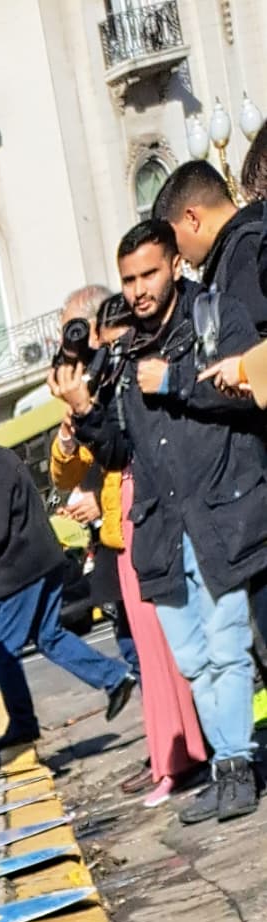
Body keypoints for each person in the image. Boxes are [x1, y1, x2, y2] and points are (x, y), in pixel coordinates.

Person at [117, 209, 265, 822]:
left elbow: (249, 391)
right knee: (193, 660)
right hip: (162, 529)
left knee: (228, 647)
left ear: (175, 264)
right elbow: (119, 449)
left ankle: (237, 764)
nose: (139, 290)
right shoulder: (125, 349)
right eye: (129, 280)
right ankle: (225, 765)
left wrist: (174, 379)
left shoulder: (216, 315)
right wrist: (82, 420)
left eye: (149, 274)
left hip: (219, 515)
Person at [50, 306, 206, 801]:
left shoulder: (131, 375)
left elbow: (129, 452)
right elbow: (70, 470)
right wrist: (70, 429)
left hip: (143, 521)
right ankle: (168, 755)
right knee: (146, 655)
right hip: (122, 534)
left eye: (87, 334)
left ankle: (185, 754)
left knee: (166, 651)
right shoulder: (97, 388)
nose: (82, 345)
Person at [0, 404, 133, 739]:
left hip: (18, 572)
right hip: (41, 562)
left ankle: (24, 725)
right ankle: (113, 678)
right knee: (49, 636)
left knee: (1, 649)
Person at [155, 151, 267, 687]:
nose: (177, 260)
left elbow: (248, 360)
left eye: (174, 244)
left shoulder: (243, 257)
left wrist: (230, 372)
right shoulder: (237, 256)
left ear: (192, 218)